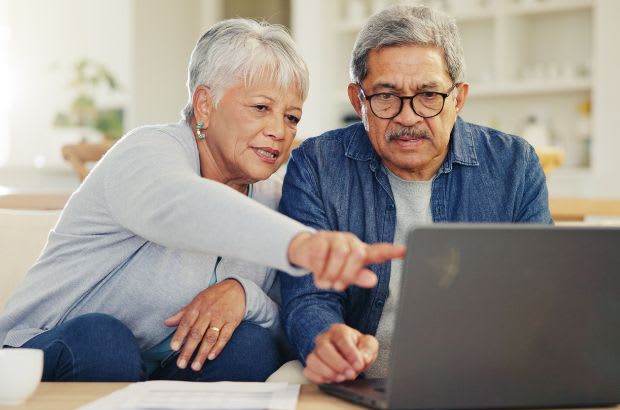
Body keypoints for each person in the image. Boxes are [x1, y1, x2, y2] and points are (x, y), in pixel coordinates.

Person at [0, 18, 404, 382]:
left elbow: (290, 318)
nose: (279, 131)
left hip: (157, 370)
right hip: (39, 353)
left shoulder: (274, 198)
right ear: (205, 104)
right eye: (261, 108)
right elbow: (180, 206)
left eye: (291, 117)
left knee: (251, 347)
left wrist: (243, 294)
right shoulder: (147, 153)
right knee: (104, 341)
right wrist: (301, 244)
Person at [279, 5, 553, 385]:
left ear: (458, 99)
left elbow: (538, 294)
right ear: (359, 102)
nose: (408, 117)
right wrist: (325, 338)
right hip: (356, 382)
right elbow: (307, 295)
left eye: (428, 95)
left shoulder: (514, 165)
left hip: (482, 380)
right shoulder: (317, 165)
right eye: (386, 97)